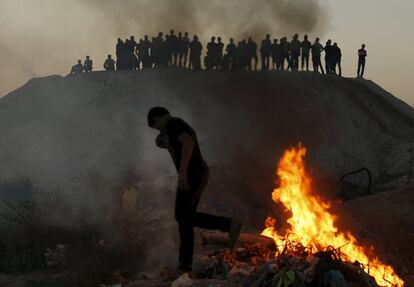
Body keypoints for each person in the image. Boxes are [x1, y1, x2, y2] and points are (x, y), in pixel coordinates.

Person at [147, 107, 242, 273]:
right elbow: (162, 142)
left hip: (193, 174)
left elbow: (188, 142)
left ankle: (229, 225)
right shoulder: (175, 126)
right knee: (185, 218)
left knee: (183, 216)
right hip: (197, 174)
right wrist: (163, 139)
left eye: (157, 126)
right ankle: (185, 265)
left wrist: (183, 171)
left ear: (158, 118)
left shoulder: (173, 123)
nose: (159, 130)